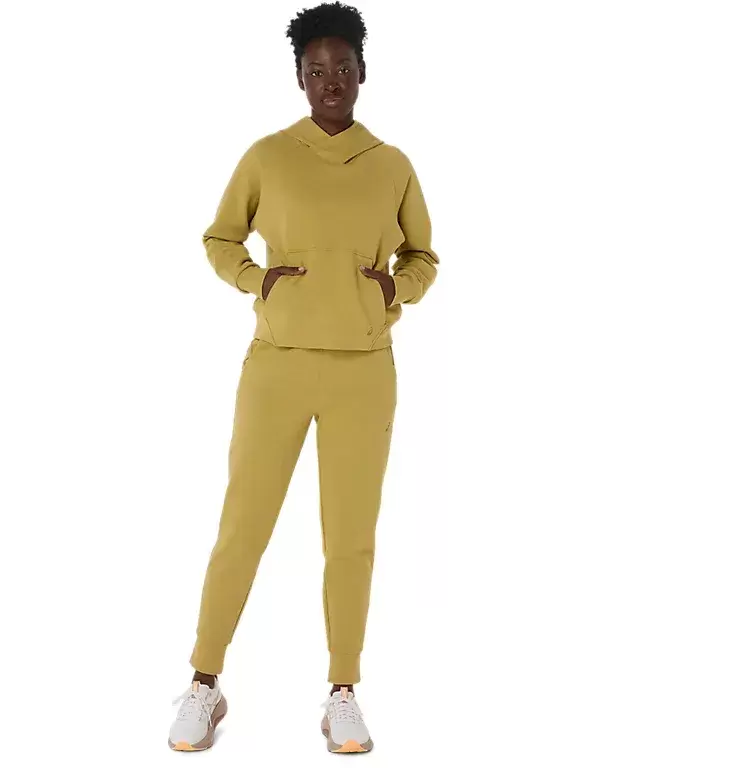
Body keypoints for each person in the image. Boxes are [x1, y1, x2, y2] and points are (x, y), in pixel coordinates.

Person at [168, 1, 439, 754]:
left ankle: (343, 691)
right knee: (242, 529)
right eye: (316, 70)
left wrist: (396, 290)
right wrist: (256, 279)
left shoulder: (392, 164)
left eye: (342, 68)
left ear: (362, 73)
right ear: (299, 77)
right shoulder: (267, 155)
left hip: (364, 372)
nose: (330, 81)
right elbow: (220, 237)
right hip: (277, 367)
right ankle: (203, 681)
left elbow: (423, 256)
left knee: (350, 539)